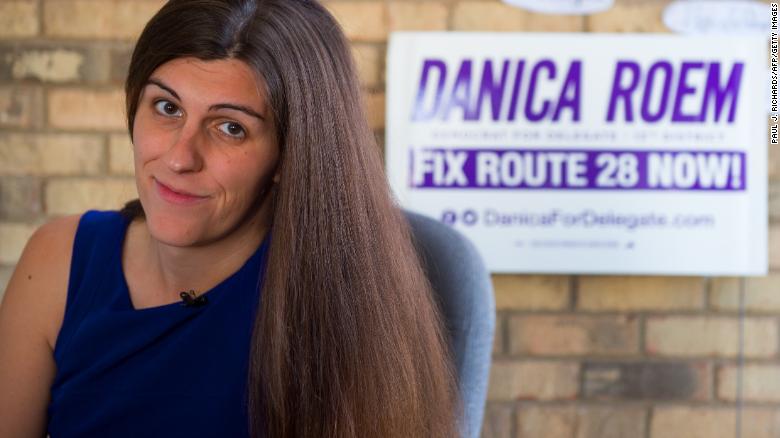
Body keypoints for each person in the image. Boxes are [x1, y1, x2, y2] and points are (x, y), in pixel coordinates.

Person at [0, 0, 462, 436]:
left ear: (289, 155)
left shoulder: (347, 303)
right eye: (167, 108)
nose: (180, 158)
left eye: (230, 128)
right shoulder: (59, 259)